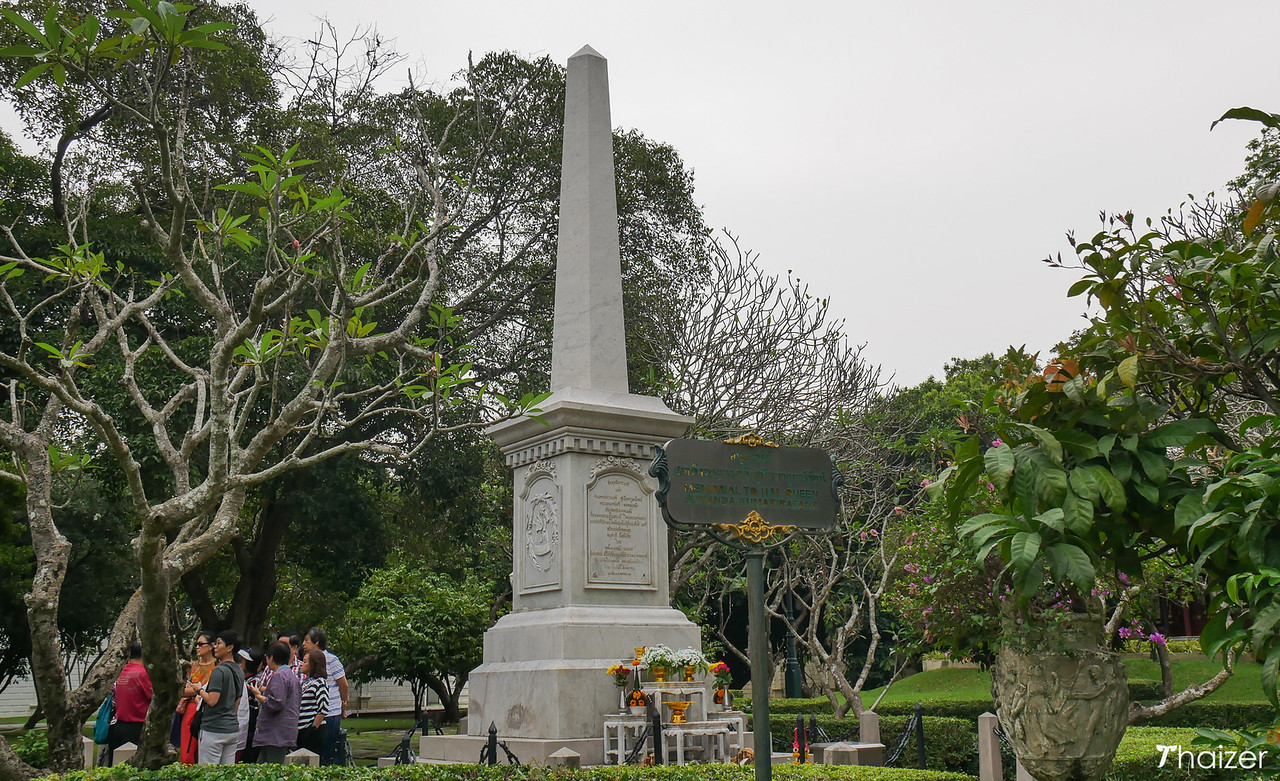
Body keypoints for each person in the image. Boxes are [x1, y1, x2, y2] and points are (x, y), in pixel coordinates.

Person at [192, 630, 245, 765]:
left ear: (230, 648)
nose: (215, 647)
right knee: (226, 773)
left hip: (213, 729)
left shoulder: (218, 671)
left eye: (219, 643)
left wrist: (199, 690)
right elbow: (237, 702)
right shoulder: (239, 670)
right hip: (231, 728)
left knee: (208, 773)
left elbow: (212, 700)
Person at [248, 641, 301, 763]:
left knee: (273, 768)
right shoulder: (291, 676)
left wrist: (258, 696)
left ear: (271, 657)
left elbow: (276, 702)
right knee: (262, 768)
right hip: (283, 731)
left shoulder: (279, 676)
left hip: (276, 733)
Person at [302, 627, 348, 764]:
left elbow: (343, 684)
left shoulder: (331, 660)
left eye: (306, 640)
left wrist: (343, 704)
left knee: (326, 753)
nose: (303, 644)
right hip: (312, 715)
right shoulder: (306, 660)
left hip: (329, 713)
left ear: (316, 642)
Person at [107, 642, 152, 765]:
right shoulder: (143, 673)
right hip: (136, 726)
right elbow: (154, 696)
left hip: (119, 724)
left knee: (117, 766)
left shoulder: (121, 672)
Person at [175, 633, 216, 763]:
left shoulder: (217, 667)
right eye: (197, 644)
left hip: (209, 708)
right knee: (187, 749)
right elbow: (181, 690)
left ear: (211, 647)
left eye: (201, 644)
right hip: (191, 707)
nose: (197, 647)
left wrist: (195, 689)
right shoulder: (192, 666)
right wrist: (197, 690)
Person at [295, 649, 329, 757]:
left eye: (305, 662)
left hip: (312, 731)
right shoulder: (304, 683)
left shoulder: (320, 682)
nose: (301, 664)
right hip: (301, 729)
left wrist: (313, 728)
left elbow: (323, 709)